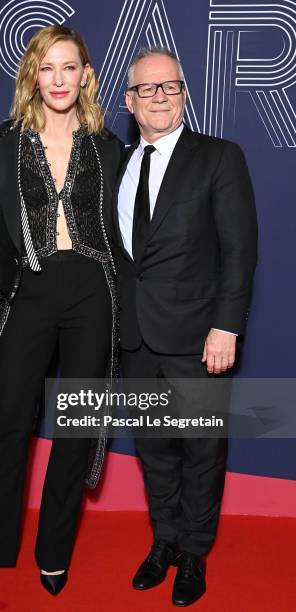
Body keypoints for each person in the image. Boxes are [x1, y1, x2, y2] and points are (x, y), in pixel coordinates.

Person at [0, 25, 122, 596]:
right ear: (32, 77)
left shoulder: (109, 147)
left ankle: (53, 551)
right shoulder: (0, 147)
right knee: (11, 422)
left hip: (94, 293)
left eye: (70, 67)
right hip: (30, 292)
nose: (59, 79)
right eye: (47, 68)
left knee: (79, 425)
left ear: (85, 75)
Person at [112, 46, 257, 606]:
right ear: (129, 101)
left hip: (199, 339)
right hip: (135, 338)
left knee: (201, 449)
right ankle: (165, 542)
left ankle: (195, 553)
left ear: (185, 93)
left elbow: (240, 251)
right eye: (147, 89)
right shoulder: (117, 163)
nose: (159, 97)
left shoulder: (219, 157)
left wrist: (227, 327)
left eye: (169, 86)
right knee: (153, 450)